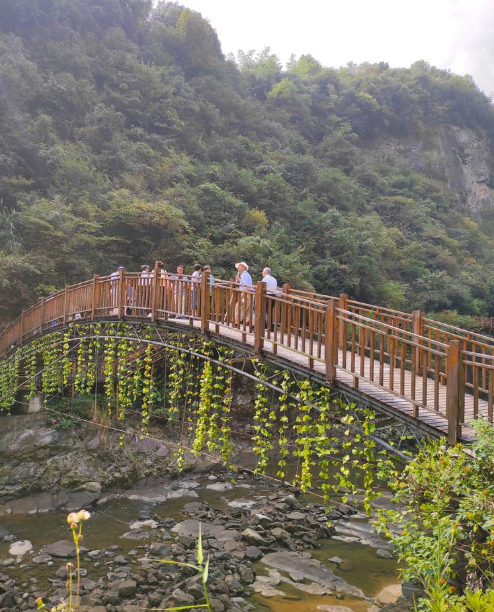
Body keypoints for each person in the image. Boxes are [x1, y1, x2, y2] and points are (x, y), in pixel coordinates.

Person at [235, 261, 254, 325]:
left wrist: (245, 294)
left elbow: (246, 285)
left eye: (239, 267)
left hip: (246, 293)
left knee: (239, 307)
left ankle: (237, 322)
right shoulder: (245, 275)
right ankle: (251, 324)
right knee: (249, 310)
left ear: (243, 268)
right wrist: (239, 280)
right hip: (249, 293)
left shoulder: (244, 275)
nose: (238, 268)